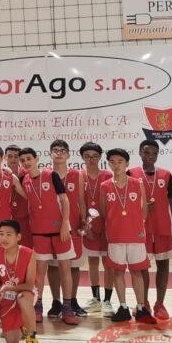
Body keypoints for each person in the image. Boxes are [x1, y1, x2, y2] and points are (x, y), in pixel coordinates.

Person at [19, 146, 79, 326]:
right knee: (39, 272)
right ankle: (38, 306)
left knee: (65, 269)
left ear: (37, 159)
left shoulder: (51, 175)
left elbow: (65, 200)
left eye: (29, 159)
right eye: (23, 160)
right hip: (39, 232)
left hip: (60, 231)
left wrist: (65, 224)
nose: (26, 162)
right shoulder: (23, 179)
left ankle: (67, 307)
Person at [98, 148, 154, 325]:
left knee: (137, 271)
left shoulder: (137, 183)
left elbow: (144, 210)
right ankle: (123, 307)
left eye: (120, 162)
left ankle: (141, 307)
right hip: (115, 236)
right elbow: (104, 211)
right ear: (108, 164)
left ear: (127, 163)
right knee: (118, 272)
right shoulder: (105, 186)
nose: (116, 165)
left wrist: (136, 225)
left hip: (135, 235)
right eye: (112, 162)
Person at [130, 139, 172, 322]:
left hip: (162, 227)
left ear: (158, 155)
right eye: (146, 152)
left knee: (163, 265)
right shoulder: (131, 173)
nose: (150, 156)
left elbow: (171, 202)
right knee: (142, 266)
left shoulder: (166, 174)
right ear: (140, 153)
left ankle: (160, 304)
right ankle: (144, 303)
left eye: (154, 153)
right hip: (140, 228)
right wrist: (140, 207)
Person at [0, 219, 42, 343]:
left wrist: (7, 288)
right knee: (12, 341)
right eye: (1, 234)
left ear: (18, 237)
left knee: (23, 298)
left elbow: (29, 285)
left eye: (9, 234)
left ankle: (32, 339)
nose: (4, 238)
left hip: (25, 292)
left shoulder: (29, 253)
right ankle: (23, 324)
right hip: (6, 296)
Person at [49, 139, 88, 318]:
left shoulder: (76, 174)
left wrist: (83, 221)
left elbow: (81, 201)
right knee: (53, 266)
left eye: (63, 150)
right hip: (51, 227)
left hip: (73, 226)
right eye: (55, 150)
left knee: (74, 265)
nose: (59, 153)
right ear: (50, 154)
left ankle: (72, 300)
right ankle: (56, 301)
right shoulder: (46, 174)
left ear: (68, 155)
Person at [79, 142, 114, 317]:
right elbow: (80, 202)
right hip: (90, 225)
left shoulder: (108, 175)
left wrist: (110, 226)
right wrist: (86, 225)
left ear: (100, 157)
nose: (91, 159)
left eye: (94, 156)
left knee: (108, 263)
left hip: (107, 225)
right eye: (87, 156)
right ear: (82, 158)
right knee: (92, 262)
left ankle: (107, 300)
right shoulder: (80, 175)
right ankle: (96, 299)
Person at [5, 144, 33, 248]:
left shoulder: (28, 174)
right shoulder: (0, 174)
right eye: (10, 156)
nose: (13, 159)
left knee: (26, 249)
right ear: (5, 157)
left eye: (16, 156)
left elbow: (32, 197)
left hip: (25, 219)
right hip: (6, 219)